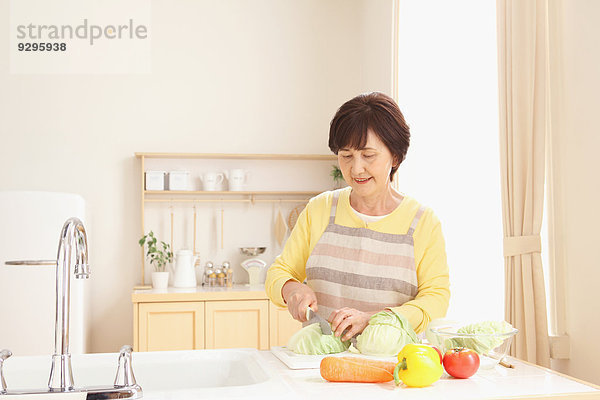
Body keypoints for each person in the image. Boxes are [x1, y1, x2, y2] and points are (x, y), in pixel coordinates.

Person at [265, 92, 450, 342]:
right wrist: (291, 287)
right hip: (321, 367)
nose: (356, 168)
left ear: (395, 156)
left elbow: (436, 299)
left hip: (394, 367)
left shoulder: (422, 222)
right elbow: (280, 271)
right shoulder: (319, 209)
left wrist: (375, 319)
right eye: (346, 155)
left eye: (368, 155)